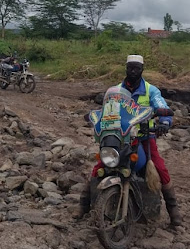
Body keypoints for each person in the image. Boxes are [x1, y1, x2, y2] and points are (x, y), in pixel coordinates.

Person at [78, 54, 182, 226]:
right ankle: (83, 205)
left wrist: (164, 121)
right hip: (121, 137)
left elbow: (160, 104)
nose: (133, 71)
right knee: (101, 165)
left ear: (142, 70)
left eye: (136, 68)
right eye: (130, 67)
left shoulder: (150, 90)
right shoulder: (116, 91)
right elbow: (108, 108)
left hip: (144, 137)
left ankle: (174, 211)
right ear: (126, 68)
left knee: (160, 168)